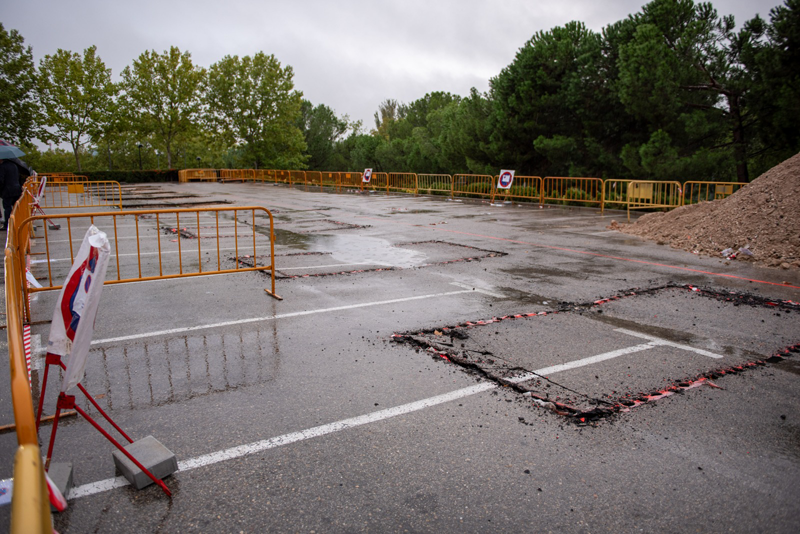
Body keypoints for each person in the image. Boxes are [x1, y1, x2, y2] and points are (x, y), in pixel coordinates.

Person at [0, 158, 23, 230]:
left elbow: (1, 180)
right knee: (16, 207)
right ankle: (18, 222)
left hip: (7, 191)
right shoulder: (14, 165)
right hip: (17, 189)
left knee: (7, 208)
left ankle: (7, 224)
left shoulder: (2, 167)